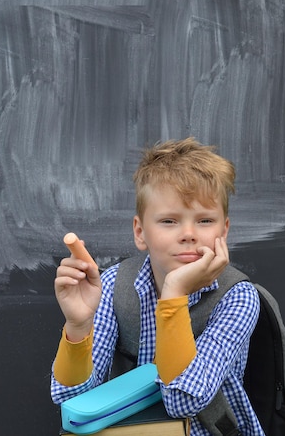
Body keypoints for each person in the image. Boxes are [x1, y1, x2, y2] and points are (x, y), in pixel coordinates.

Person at [51, 137, 264, 435]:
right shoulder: (114, 286)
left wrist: (174, 293)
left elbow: (182, 402)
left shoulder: (238, 297)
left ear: (224, 231)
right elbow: (72, 401)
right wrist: (78, 326)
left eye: (204, 220)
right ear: (140, 232)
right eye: (169, 221)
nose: (189, 234)